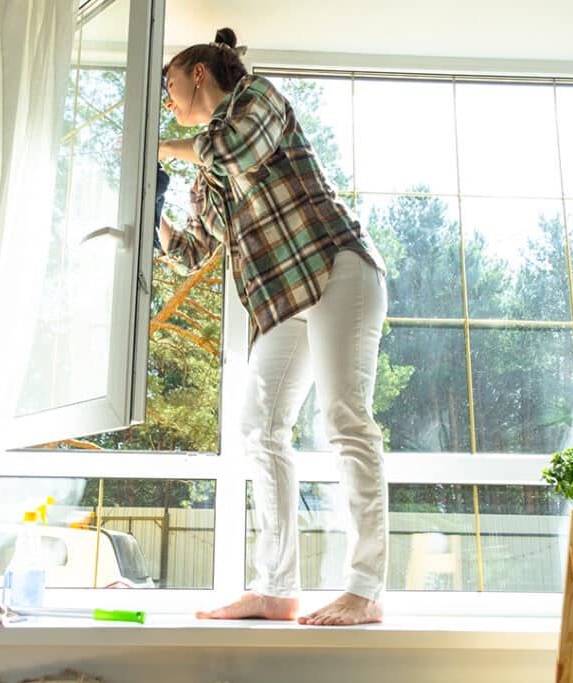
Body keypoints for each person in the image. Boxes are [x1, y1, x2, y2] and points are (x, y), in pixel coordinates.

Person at [157, 28, 388, 626]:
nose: (167, 102)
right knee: (259, 428)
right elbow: (194, 247)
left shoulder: (256, 100)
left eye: (169, 86)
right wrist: (149, 208)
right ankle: (276, 588)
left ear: (198, 73)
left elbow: (233, 150)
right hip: (285, 297)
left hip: (337, 267)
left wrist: (161, 148)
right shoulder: (208, 170)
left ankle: (365, 589)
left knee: (344, 421)